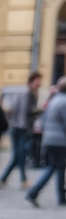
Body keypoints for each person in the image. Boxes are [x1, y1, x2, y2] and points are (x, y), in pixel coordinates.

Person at [25, 76, 66, 207]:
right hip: (60, 139)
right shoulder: (64, 101)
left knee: (59, 167)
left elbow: (44, 119)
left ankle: (61, 196)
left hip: (50, 138)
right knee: (54, 167)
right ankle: (33, 192)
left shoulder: (54, 100)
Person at [0, 71, 42, 188]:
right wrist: (41, 111)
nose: (40, 83)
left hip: (17, 127)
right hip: (21, 128)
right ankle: (23, 181)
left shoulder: (28, 93)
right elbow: (27, 111)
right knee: (20, 154)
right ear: (33, 81)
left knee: (18, 155)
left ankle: (3, 179)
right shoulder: (29, 94)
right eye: (38, 80)